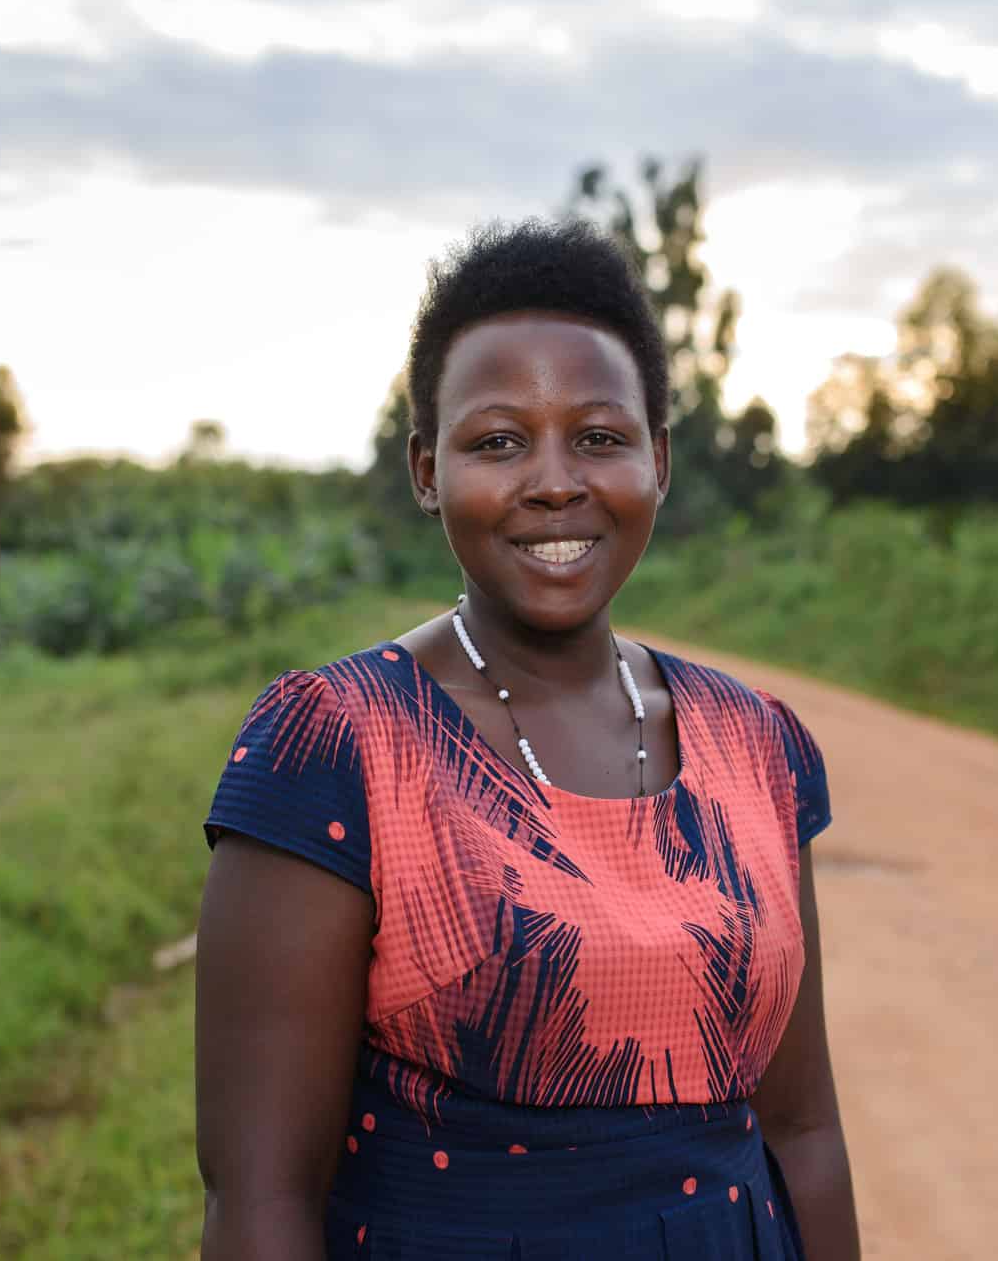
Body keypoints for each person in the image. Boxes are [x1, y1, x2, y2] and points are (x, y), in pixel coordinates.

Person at [195, 218, 860, 1259]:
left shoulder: (755, 747)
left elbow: (802, 1130)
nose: (554, 480)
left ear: (658, 460)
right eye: (497, 441)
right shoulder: (339, 745)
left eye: (598, 436)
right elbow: (261, 1199)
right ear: (425, 469)